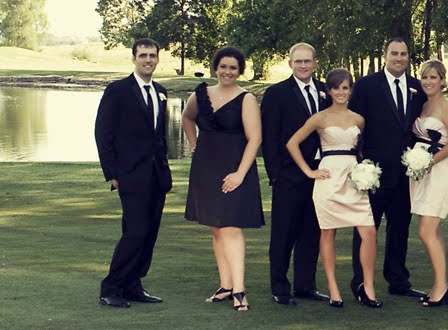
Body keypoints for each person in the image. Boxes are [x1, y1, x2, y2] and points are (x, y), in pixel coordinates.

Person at [285, 69, 381, 308]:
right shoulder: (319, 118)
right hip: (328, 179)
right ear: (329, 91)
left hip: (354, 179)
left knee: (369, 232)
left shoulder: (358, 119)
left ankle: (368, 287)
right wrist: (309, 171)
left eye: (345, 87)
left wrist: (365, 172)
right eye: (336, 88)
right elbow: (292, 143)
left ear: (351, 90)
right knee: (328, 233)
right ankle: (333, 289)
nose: (340, 92)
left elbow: (361, 149)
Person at [183, 46, 264, 311]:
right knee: (216, 228)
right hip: (206, 168)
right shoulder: (200, 95)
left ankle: (239, 290)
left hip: (234, 168)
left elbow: (255, 139)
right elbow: (187, 118)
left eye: (233, 67)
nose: (227, 72)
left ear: (240, 71)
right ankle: (225, 285)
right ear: (215, 68)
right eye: (223, 66)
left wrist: (240, 174)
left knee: (230, 227)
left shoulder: (246, 99)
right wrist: (194, 145)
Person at [94, 38, 172, 308]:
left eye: (152, 55)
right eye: (143, 55)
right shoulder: (118, 90)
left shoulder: (160, 91)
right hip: (130, 174)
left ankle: (133, 285)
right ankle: (111, 287)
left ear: (158, 59)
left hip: (156, 176)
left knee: (149, 233)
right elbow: (103, 133)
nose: (148, 60)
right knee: (135, 232)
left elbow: (159, 136)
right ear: (134, 58)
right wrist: (112, 173)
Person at [348, 37, 427, 300]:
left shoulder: (417, 87)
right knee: (365, 229)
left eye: (403, 54)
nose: (399, 58)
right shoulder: (366, 86)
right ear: (385, 55)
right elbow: (354, 126)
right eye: (394, 53)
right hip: (373, 172)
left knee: (400, 228)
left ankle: (398, 280)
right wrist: (359, 164)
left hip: (406, 174)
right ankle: (361, 283)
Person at [262, 43, 331, 306]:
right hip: (288, 175)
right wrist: (275, 175)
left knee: (312, 232)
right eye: (298, 61)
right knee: (283, 233)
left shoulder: (325, 91)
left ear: (315, 63)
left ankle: (305, 286)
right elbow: (270, 137)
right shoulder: (276, 93)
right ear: (290, 64)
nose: (303, 65)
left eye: (307, 61)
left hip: (320, 174)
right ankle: (280, 287)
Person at [409, 60, 448, 307]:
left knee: (426, 231)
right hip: (422, 172)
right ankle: (439, 284)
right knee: (434, 230)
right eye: (424, 77)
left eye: (433, 77)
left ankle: (442, 287)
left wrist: (430, 162)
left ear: (442, 80)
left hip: (441, 171)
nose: (428, 82)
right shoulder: (423, 104)